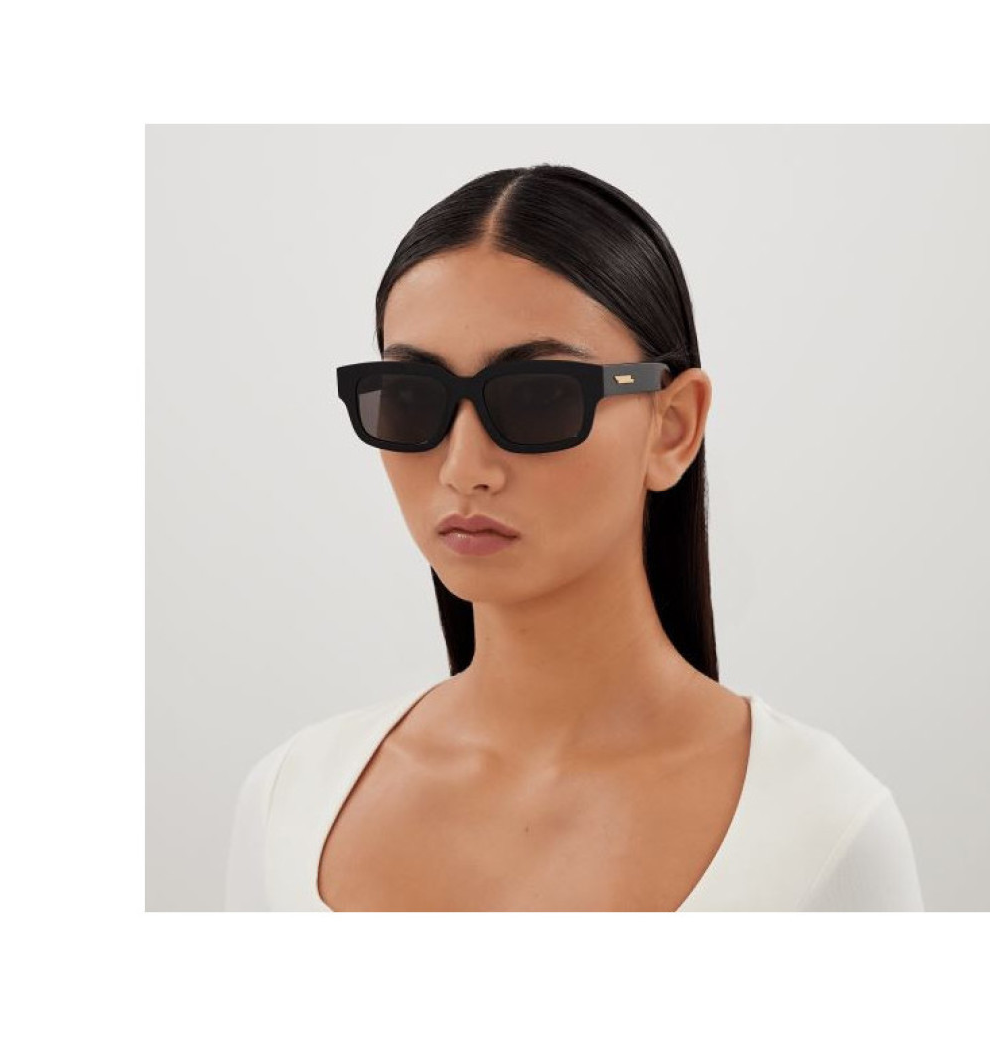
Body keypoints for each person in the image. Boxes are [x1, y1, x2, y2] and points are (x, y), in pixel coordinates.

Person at [224, 163, 924, 911]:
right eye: (410, 396)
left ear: (673, 427)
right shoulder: (289, 804)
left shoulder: (823, 830)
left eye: (539, 397)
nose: (464, 469)